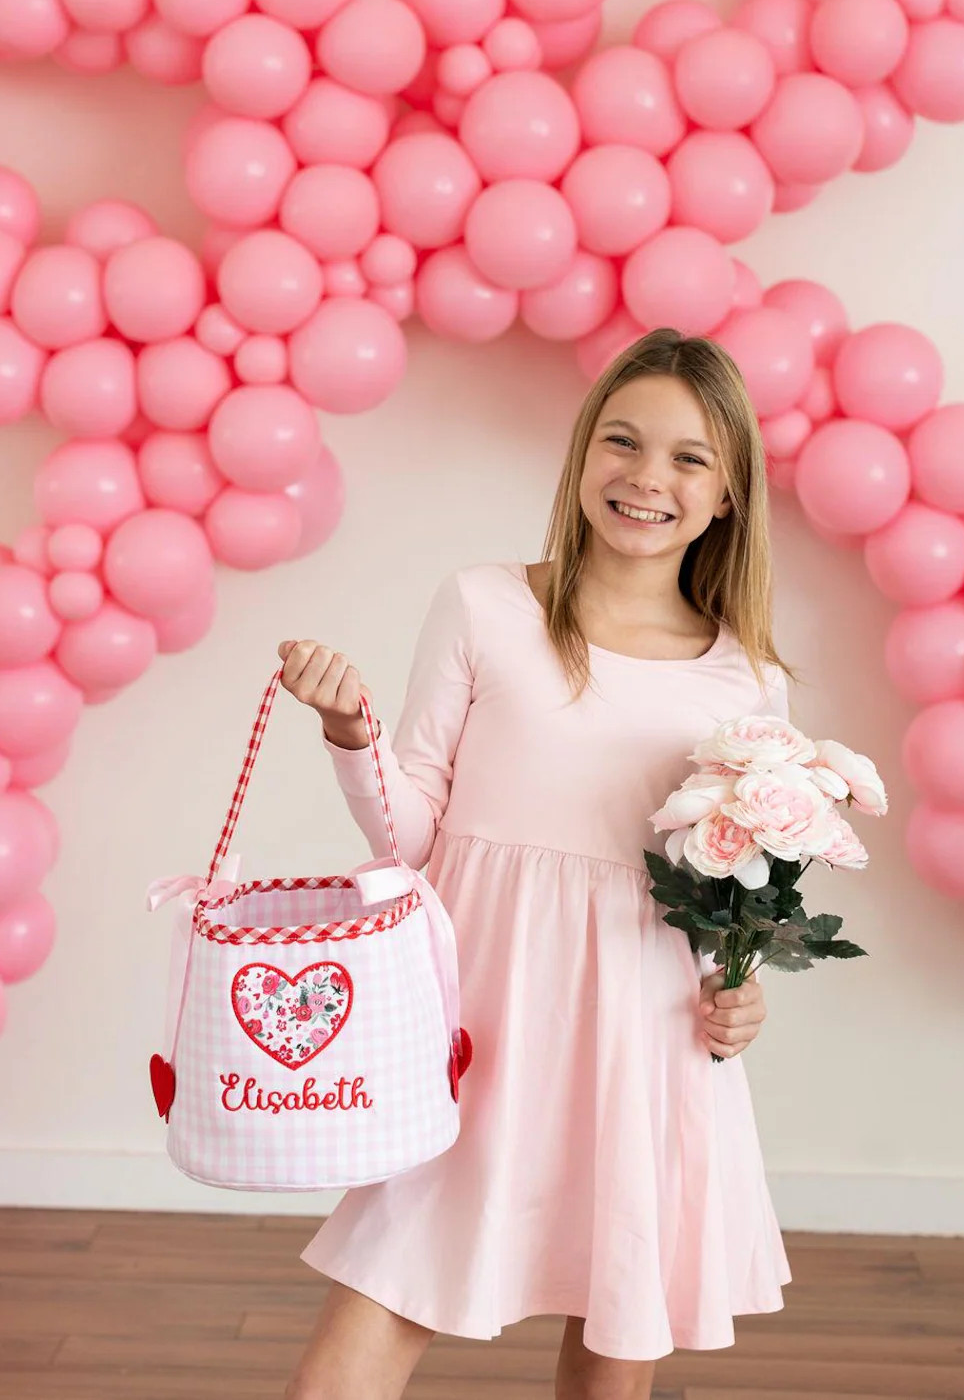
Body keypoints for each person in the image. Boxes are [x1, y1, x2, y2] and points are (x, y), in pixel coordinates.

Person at [276, 327, 798, 1400]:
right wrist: (349, 728)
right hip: (480, 1009)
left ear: (729, 494)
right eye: (623, 441)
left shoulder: (746, 680)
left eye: (689, 458)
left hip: (644, 1029)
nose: (647, 477)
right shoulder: (487, 605)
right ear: (582, 455)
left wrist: (736, 995)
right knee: (386, 1287)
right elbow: (411, 836)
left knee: (618, 1315)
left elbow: (730, 892)